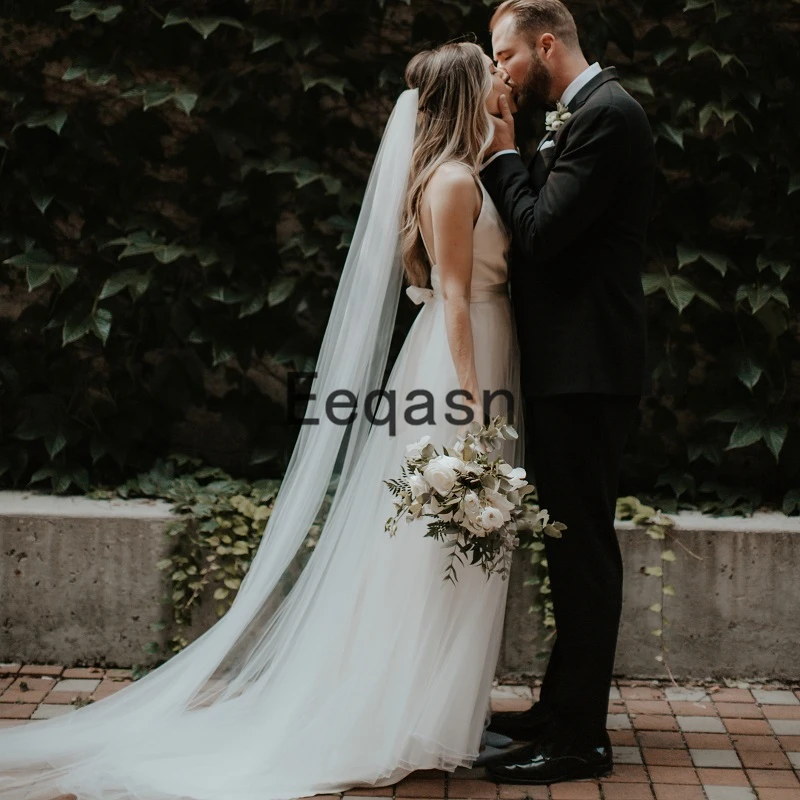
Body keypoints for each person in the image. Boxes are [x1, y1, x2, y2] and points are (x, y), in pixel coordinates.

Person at [0, 42, 528, 800]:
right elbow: (450, 295)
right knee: (435, 538)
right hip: (458, 365)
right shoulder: (447, 183)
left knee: (459, 537)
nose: (500, 79)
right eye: (490, 73)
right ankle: (403, 711)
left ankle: (440, 712)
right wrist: (472, 401)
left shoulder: (469, 173)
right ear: (463, 94)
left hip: (481, 348)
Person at [478, 0, 657, 786]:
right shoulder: (581, 114)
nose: (500, 74)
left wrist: (501, 154)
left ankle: (581, 740)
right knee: (567, 545)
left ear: (546, 45)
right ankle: (559, 709)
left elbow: (544, 233)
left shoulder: (609, 115)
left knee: (584, 551)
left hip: (588, 370)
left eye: (506, 57)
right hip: (568, 367)